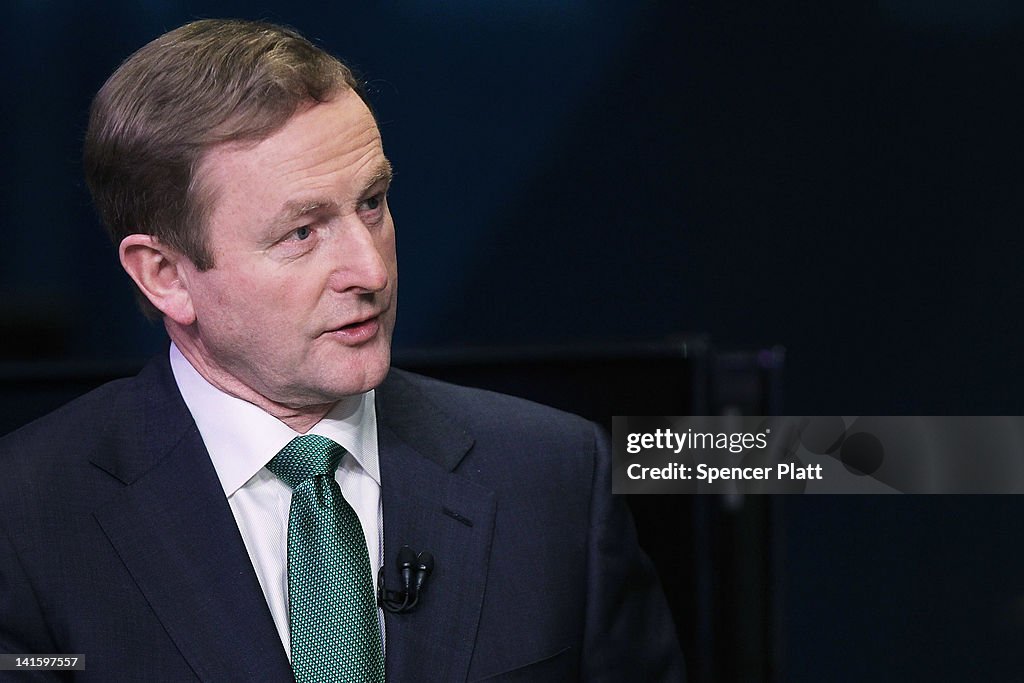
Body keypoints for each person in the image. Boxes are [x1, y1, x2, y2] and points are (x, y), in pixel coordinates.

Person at [0, 19, 684, 682]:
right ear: (166, 275)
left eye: (372, 202)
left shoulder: (555, 477)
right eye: (301, 232)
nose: (371, 271)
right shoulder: (24, 520)